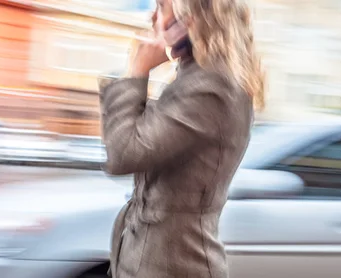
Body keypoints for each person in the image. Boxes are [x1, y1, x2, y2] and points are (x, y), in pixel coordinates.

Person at [98, 0, 265, 277]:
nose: (153, 16)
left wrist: (138, 71)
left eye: (162, 6)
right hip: (155, 260)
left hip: (173, 265)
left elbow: (123, 153)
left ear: (190, 16)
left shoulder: (213, 88)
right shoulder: (195, 79)